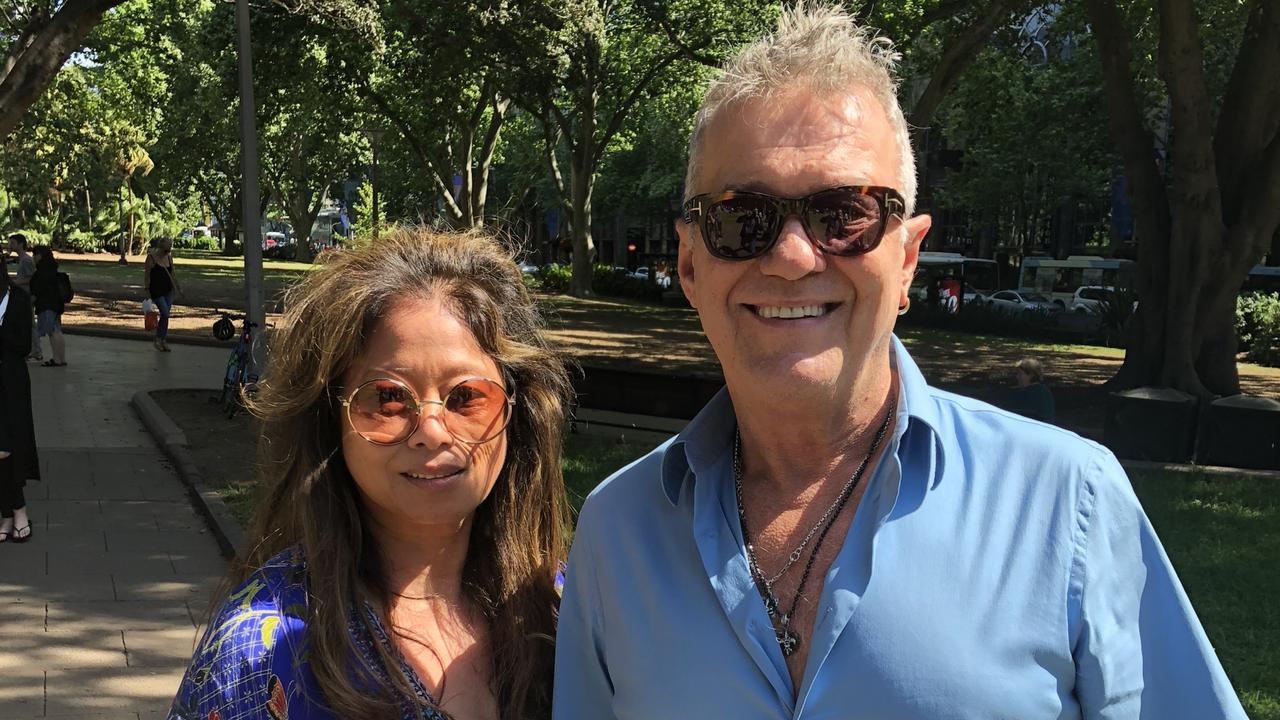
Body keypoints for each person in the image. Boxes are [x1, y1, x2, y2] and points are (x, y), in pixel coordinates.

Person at [554, 5, 1247, 719]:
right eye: (741, 217)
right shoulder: (618, 531)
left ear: (908, 257)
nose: (793, 256)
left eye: (844, 214)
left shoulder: (1068, 502)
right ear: (691, 264)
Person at [168, 228, 571, 720]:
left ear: (516, 411)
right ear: (329, 419)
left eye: (466, 397)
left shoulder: (567, 606)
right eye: (387, 398)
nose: (432, 432)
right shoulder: (258, 648)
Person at [0, 263, 38, 543]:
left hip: (10, 382)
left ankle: (17, 510)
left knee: (7, 449)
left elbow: (24, 345)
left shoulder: (18, 299)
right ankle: (9, 512)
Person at [29, 246, 67, 367]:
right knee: (57, 331)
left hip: (46, 304)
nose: (33, 257)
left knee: (52, 331)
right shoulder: (52, 269)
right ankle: (61, 358)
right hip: (56, 303)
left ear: (40, 256)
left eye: (35, 255)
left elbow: (38, 289)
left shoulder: (41, 272)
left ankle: (56, 359)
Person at [6, 233, 41, 362]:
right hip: (23, 294)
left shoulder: (26, 260)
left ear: (20, 244)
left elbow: (31, 278)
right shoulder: (22, 259)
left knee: (30, 323)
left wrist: (14, 282)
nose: (10, 246)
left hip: (27, 295)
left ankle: (36, 352)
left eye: (13, 243)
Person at [144, 236, 181, 351]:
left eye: (169, 250)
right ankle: (159, 339)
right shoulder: (151, 258)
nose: (167, 252)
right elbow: (147, 275)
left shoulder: (169, 258)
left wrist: (178, 288)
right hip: (156, 291)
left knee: (166, 316)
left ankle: (162, 339)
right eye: (166, 250)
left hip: (168, 290)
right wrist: (146, 289)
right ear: (160, 248)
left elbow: (173, 273)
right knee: (165, 313)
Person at [1007, 357, 1055, 423]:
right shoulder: (1042, 390)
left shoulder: (1035, 393)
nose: (1017, 377)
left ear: (1031, 375)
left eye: (1020, 374)